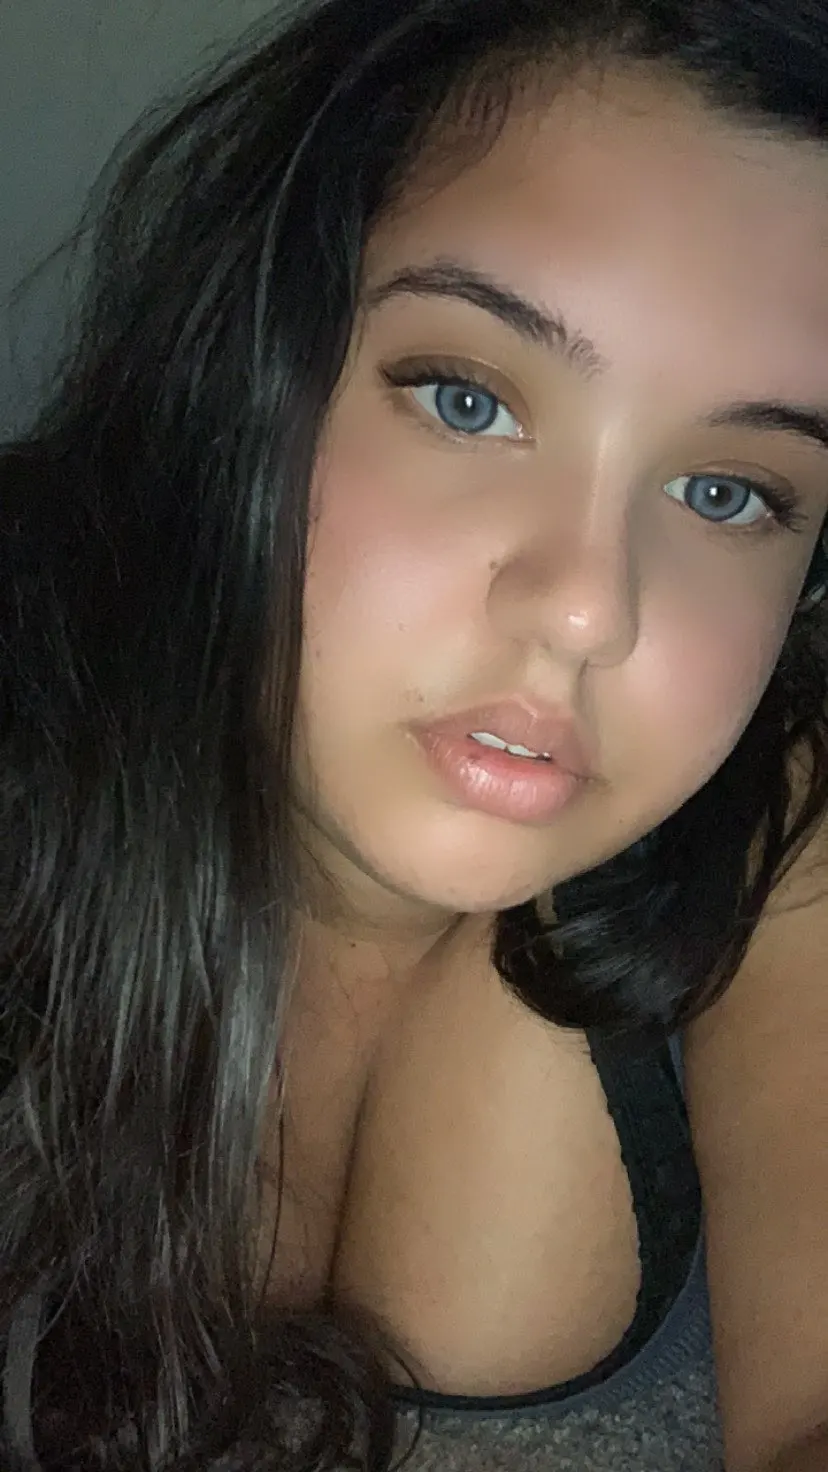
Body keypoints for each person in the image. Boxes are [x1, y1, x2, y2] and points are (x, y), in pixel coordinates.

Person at [2, 0, 828, 1468]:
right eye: (468, 399)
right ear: (253, 365)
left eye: (727, 494)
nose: (587, 609)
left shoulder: (785, 828)